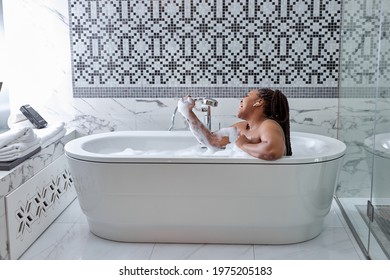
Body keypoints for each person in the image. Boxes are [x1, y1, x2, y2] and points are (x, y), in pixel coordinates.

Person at [177, 88, 292, 160]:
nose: (241, 100)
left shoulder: (268, 125)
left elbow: (273, 151)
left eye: (247, 96)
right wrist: (188, 112)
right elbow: (211, 141)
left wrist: (243, 145)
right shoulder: (241, 127)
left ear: (259, 102)